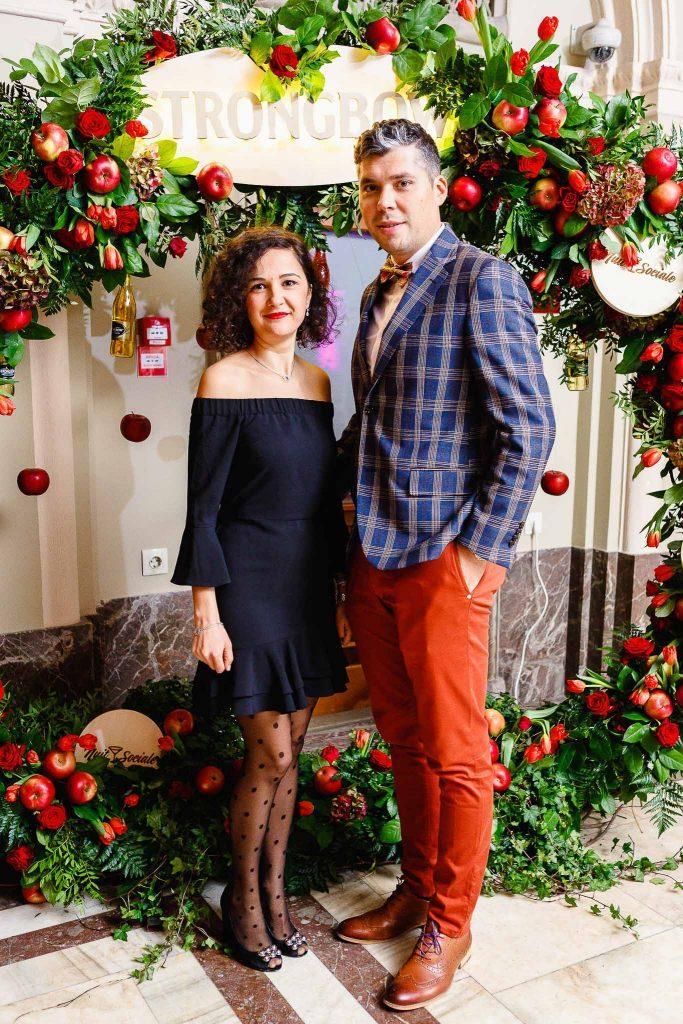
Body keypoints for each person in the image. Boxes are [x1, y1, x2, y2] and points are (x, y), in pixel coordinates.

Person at [335, 119, 556, 1011]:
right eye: (370, 187)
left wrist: (479, 553)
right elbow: (374, 424)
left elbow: (527, 426)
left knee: (458, 753)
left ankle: (450, 925)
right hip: (373, 552)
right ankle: (417, 888)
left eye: (399, 183)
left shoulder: (481, 279)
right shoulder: (374, 292)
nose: (383, 201)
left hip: (443, 556)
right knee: (403, 738)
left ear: (435, 188)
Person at [171, 226, 351, 973]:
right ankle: (241, 904)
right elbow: (204, 507)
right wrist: (206, 614)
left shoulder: (317, 383)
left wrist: (338, 592)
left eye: (288, 282)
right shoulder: (222, 381)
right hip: (246, 588)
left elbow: (321, 503)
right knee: (268, 754)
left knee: (291, 755)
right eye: (258, 285)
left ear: (309, 296)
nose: (275, 297)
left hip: (305, 589)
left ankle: (276, 897)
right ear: (238, 301)